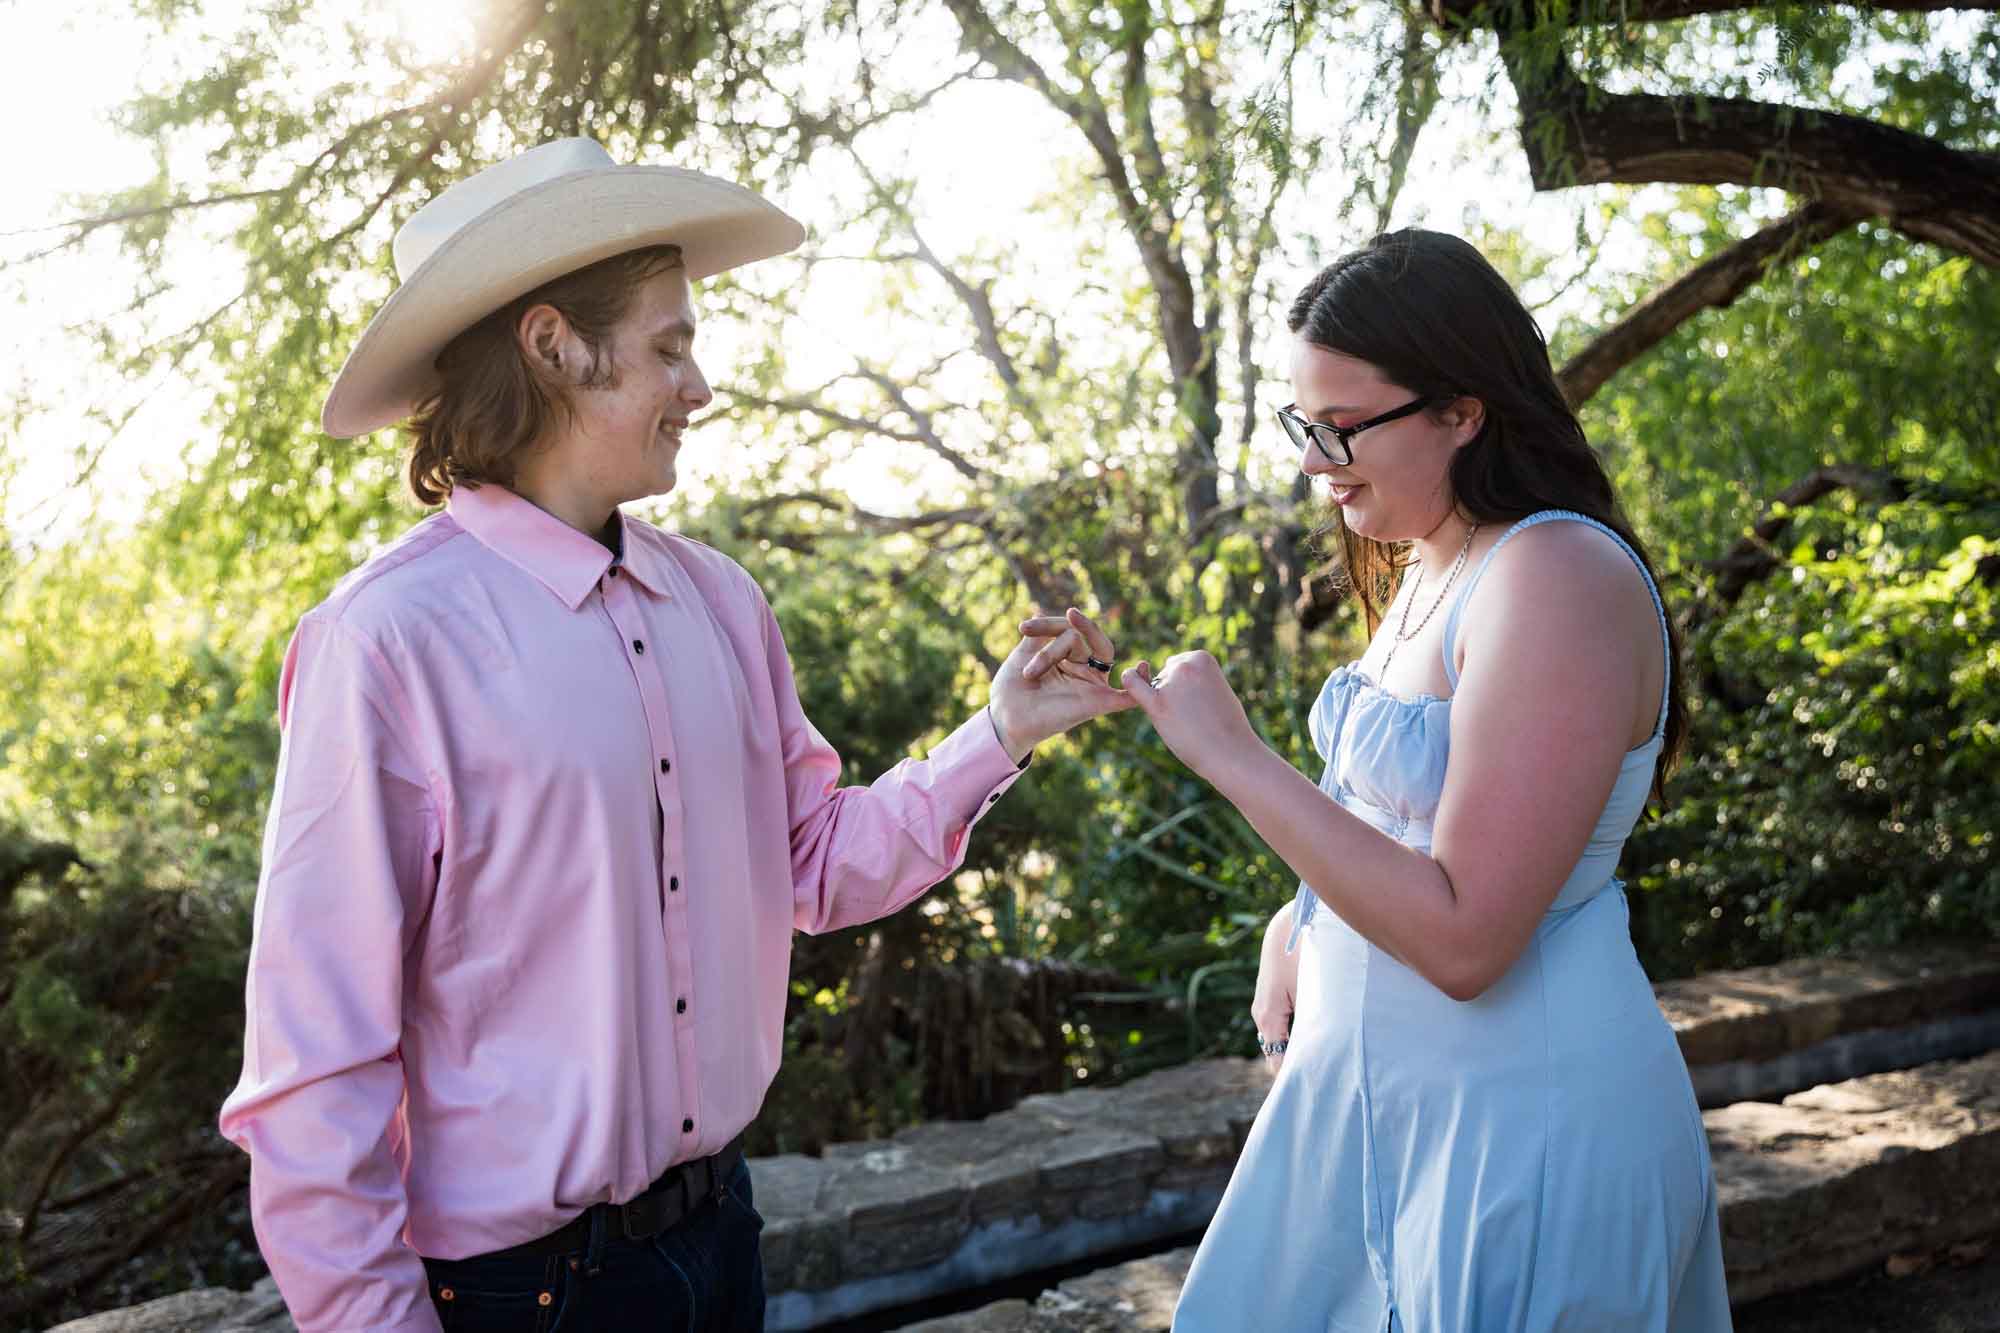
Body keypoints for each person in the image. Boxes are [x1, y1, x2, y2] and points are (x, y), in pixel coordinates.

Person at [218, 137, 1128, 1333]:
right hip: (519, 1298)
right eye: (669, 346)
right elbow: (315, 1071)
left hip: (719, 1245)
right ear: (553, 348)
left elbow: (809, 866)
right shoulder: (384, 643)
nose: (698, 386)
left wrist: (1000, 730)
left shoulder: (721, 604)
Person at [1125, 229, 1732, 1330]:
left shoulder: (1553, 572)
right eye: (1302, 423)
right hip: (1382, 1113)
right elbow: (1407, 818)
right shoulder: (1428, 563)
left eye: (1343, 425)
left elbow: (1466, 936)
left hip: (1519, 1132)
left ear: (1463, 409)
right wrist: (1299, 915)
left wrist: (1233, 757)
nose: (1313, 459)